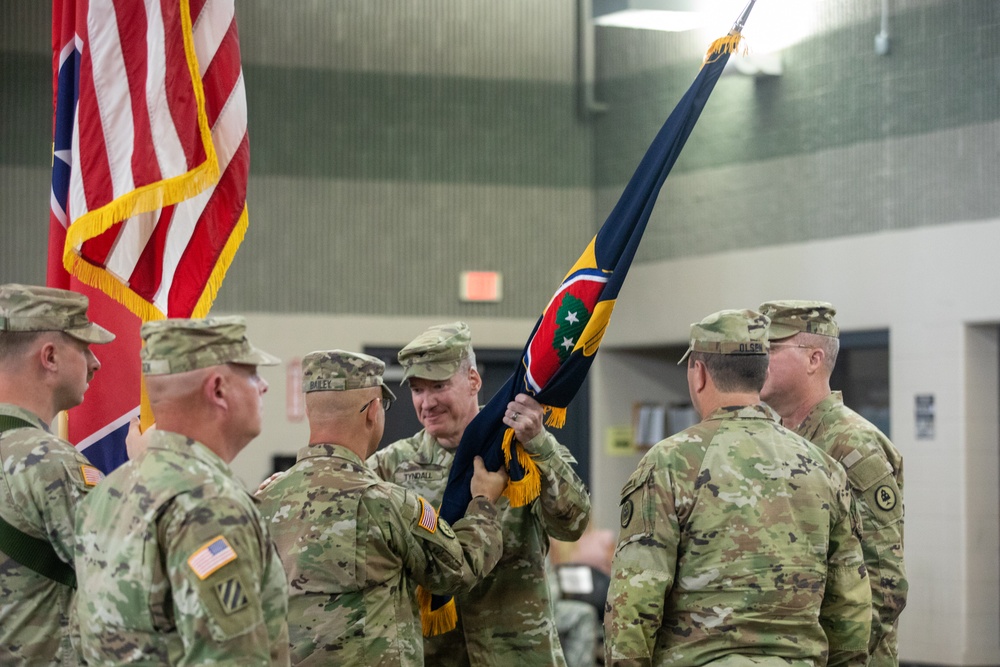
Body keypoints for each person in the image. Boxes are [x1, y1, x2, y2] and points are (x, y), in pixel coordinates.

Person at [604, 309, 872, 667]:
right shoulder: (824, 468)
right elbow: (850, 602)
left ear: (698, 374)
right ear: (760, 377)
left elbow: (635, 600)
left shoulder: (670, 463)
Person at [258, 350, 507, 666]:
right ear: (373, 412)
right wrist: (483, 504)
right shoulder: (389, 503)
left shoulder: (264, 501)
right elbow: (458, 570)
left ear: (310, 413)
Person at [369, 322, 592, 666]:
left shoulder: (520, 450)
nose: (426, 402)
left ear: (473, 380)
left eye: (439, 386)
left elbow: (572, 524)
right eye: (417, 389)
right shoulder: (392, 466)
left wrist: (540, 445)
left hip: (519, 654)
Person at [74, 317, 290, 665]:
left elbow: (82, 637)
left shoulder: (105, 494)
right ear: (218, 390)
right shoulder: (210, 505)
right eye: (251, 374)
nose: (263, 386)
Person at [759, 300, 907, 666]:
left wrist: (836, 657)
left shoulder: (852, 444)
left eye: (772, 348)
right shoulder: (774, 440)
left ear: (813, 359)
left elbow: (884, 582)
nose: (759, 358)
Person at [0, 283, 114, 665]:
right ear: (49, 356)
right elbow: (128, 586)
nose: (95, 363)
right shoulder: (48, 463)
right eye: (83, 348)